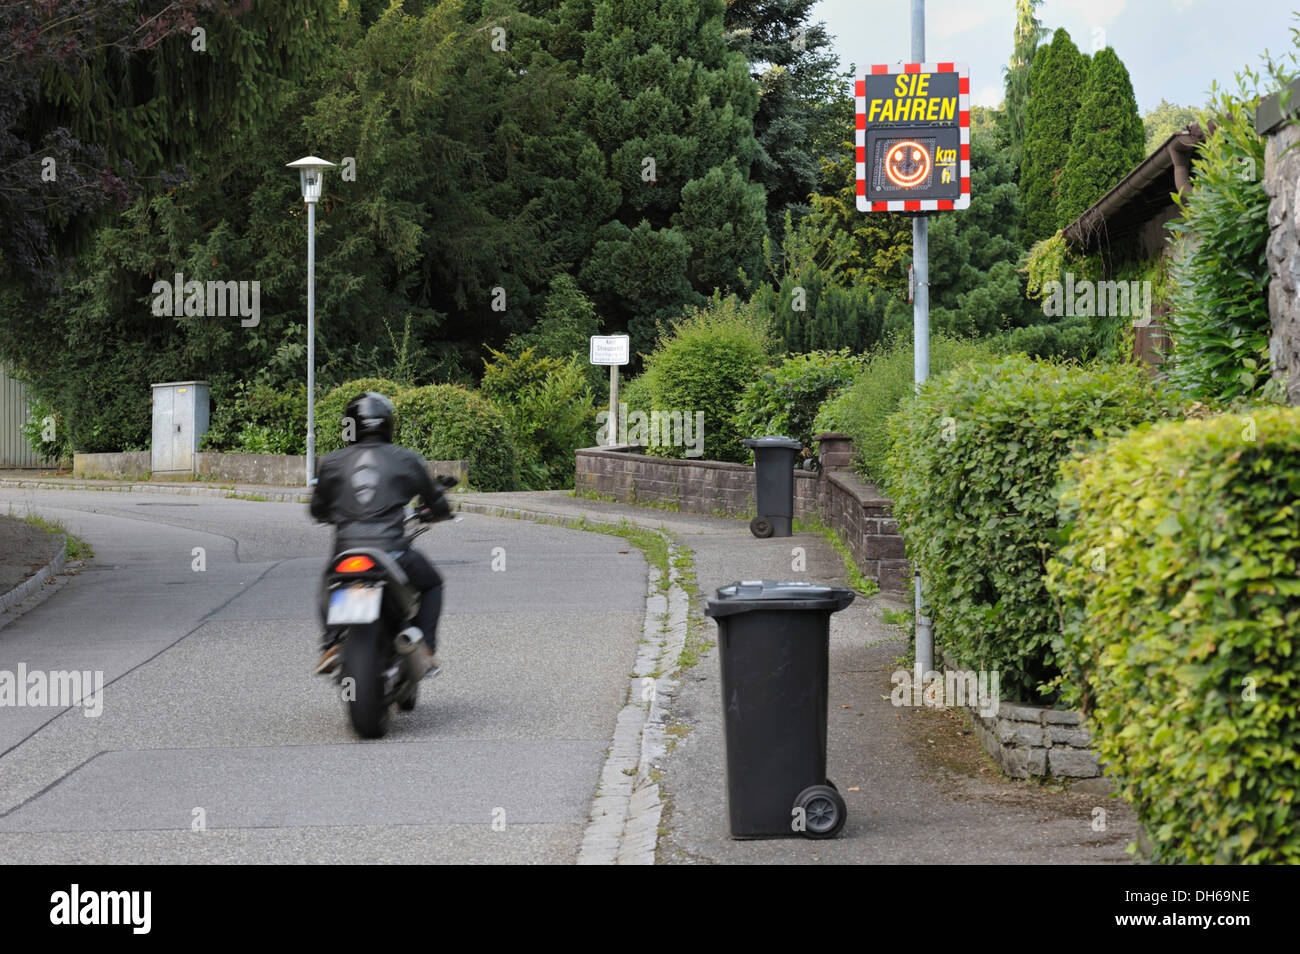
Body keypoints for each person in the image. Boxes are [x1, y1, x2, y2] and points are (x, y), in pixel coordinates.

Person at [308, 391, 450, 679]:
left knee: (327, 582)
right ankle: (425, 647)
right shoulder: (406, 459)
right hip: (393, 551)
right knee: (432, 583)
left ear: (351, 425)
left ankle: (332, 642)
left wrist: (330, 514)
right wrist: (437, 510)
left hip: (346, 553)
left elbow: (317, 509)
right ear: (388, 424)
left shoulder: (333, 462)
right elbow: (436, 501)